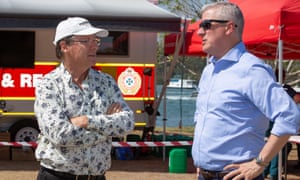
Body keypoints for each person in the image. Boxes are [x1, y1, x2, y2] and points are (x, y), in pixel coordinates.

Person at [192, 2, 300, 180]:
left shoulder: (251, 69)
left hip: (235, 176)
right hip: (205, 174)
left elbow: (289, 116)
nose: (200, 32)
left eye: (206, 25)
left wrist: (259, 163)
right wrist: (202, 162)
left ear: (229, 27)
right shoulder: (209, 69)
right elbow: (203, 116)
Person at [34, 17, 135, 180]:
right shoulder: (48, 85)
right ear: (64, 46)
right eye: (86, 41)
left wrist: (87, 121)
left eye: (95, 40)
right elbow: (60, 134)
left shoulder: (106, 81)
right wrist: (106, 127)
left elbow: (127, 122)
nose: (94, 45)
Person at [264, 69, 300, 180]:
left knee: (266, 146)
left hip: (266, 121)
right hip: (279, 121)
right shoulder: (285, 87)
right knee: (279, 148)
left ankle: (264, 172)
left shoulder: (266, 86)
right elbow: (297, 98)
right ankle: (274, 175)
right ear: (283, 76)